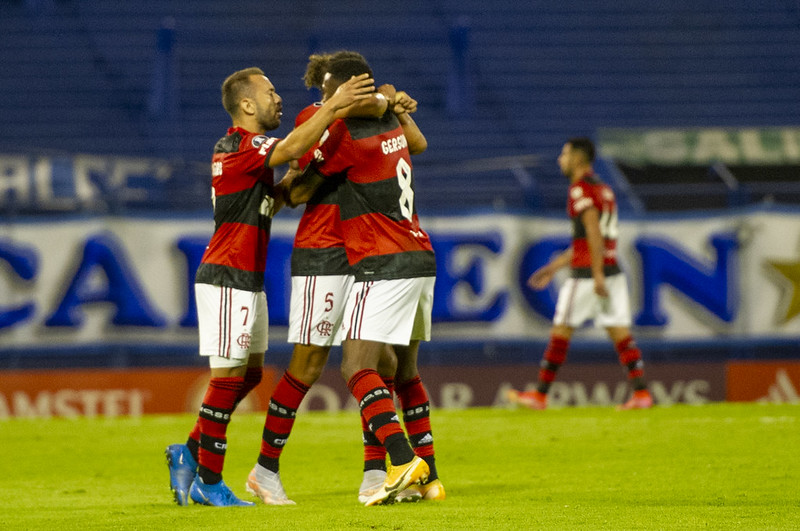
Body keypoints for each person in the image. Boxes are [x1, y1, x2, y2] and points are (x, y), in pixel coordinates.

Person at [164, 66, 375, 507]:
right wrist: (333, 105)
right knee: (227, 379)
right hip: (226, 276)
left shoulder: (249, 157)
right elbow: (295, 144)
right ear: (246, 105)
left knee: (252, 374)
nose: (278, 99)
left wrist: (300, 182)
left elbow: (277, 195)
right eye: (270, 92)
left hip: (247, 279)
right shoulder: (241, 146)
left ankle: (188, 450)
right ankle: (209, 480)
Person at [247, 51, 443, 506]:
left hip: (366, 251)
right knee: (309, 363)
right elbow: (298, 186)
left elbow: (397, 123)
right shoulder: (316, 116)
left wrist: (388, 100)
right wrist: (385, 100)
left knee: (383, 365)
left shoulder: (369, 117)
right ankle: (265, 468)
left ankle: (377, 475)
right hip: (324, 252)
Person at [508, 137, 654, 411]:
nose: (559, 160)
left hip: (589, 275)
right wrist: (553, 267)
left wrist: (596, 274)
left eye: (564, 154)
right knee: (619, 332)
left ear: (577, 159)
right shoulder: (604, 189)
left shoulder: (580, 190)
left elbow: (592, 232)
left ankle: (539, 395)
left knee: (561, 329)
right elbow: (589, 241)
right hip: (612, 270)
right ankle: (642, 394)